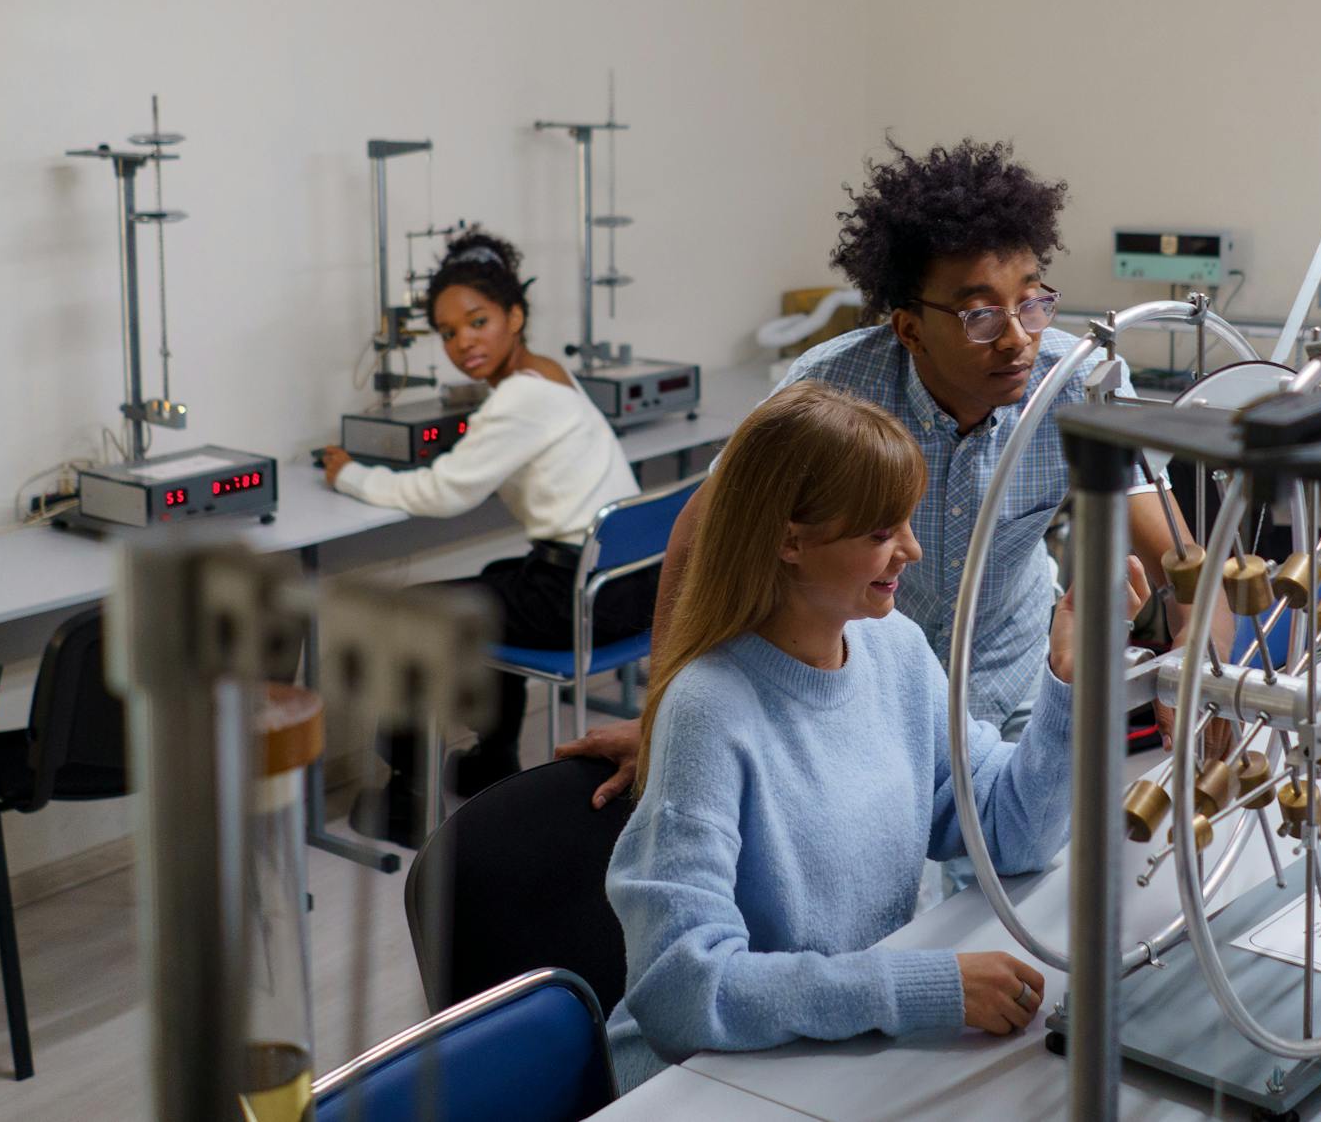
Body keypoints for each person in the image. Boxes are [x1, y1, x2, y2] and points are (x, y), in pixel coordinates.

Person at [562, 138, 1224, 809]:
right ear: (910, 329)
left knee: (1026, 867)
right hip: (867, 693)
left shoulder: (1076, 381)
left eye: (1031, 302)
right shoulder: (831, 387)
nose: (1018, 336)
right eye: (980, 314)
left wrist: (1203, 672)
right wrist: (663, 720)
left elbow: (1178, 557)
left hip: (1012, 677)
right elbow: (697, 535)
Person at [602, 381, 1148, 1091]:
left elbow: (1011, 831)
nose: (913, 551)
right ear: (789, 539)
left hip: (836, 1052)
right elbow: (682, 989)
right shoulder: (709, 707)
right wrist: (919, 987)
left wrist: (1068, 678)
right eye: (881, 533)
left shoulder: (893, 648)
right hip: (706, 1079)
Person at [322, 228, 655, 847]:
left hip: (582, 601)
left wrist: (352, 475)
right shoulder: (550, 373)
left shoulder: (518, 398)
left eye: (477, 322)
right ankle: (492, 756)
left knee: (406, 610)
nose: (463, 343)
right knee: (497, 577)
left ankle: (406, 796)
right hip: (623, 586)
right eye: (448, 333)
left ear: (515, 316)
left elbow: (442, 494)